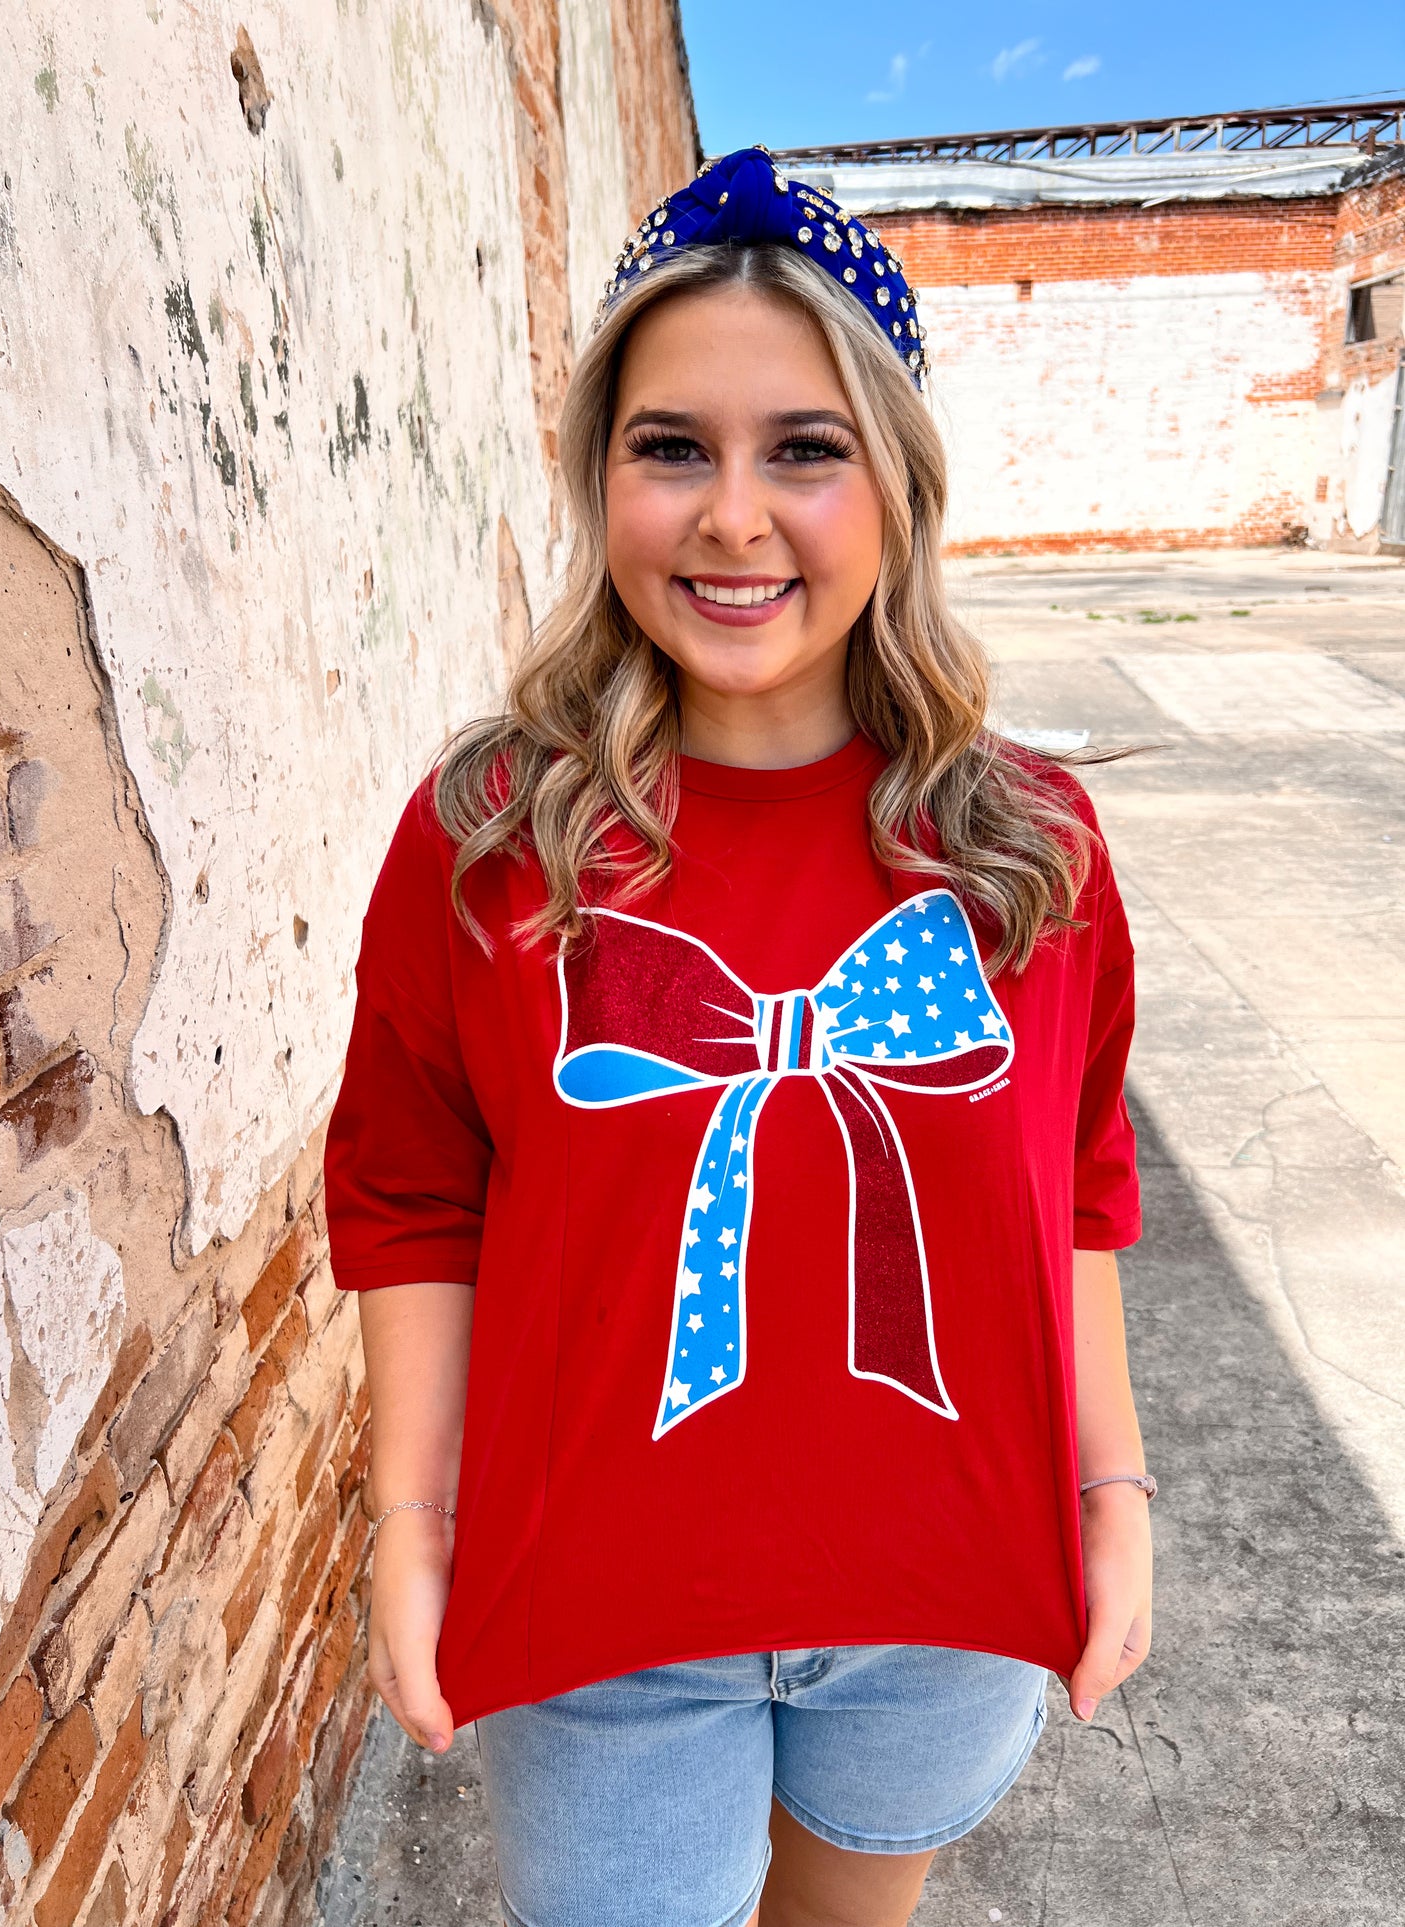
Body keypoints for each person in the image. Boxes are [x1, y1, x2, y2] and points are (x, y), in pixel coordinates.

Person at [325, 145, 1153, 1927]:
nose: (731, 517)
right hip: (596, 1612)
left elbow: (1072, 1192)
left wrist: (1112, 1486)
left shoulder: (1028, 851)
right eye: (670, 446)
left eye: (803, 448)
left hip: (934, 1594)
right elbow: (410, 1200)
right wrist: (411, 1527)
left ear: (896, 484)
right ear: (598, 474)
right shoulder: (487, 838)